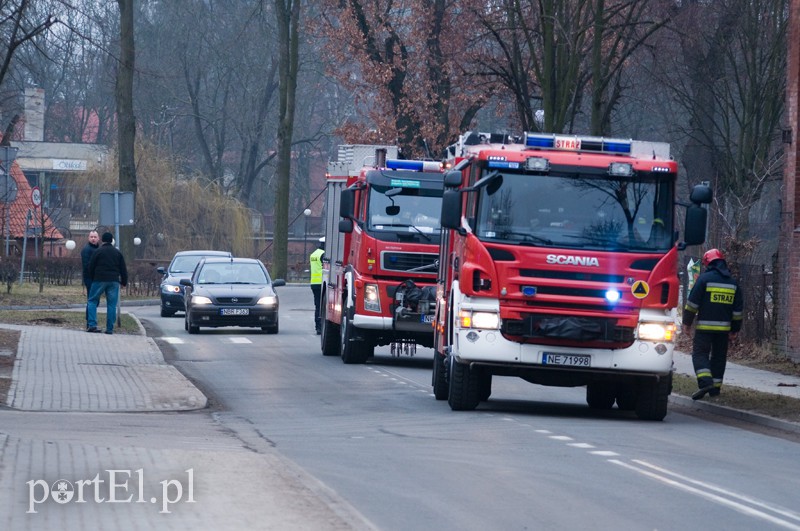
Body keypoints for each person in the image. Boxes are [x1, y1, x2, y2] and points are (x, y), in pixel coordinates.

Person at [682, 248, 743, 400]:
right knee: (719, 357)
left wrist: (686, 323)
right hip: (723, 330)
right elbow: (737, 311)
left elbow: (692, 305)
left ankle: (705, 382)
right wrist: (735, 329)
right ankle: (715, 389)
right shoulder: (733, 283)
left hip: (704, 328)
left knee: (700, 354)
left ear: (707, 263)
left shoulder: (703, 280)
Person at [87, 232, 128, 334]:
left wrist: (93, 278)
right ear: (111, 240)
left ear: (102, 240)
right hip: (114, 281)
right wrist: (124, 282)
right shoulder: (117, 253)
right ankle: (109, 328)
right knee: (111, 305)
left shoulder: (98, 251)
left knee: (92, 301)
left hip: (99, 279)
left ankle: (92, 325)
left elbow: (91, 266)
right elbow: (123, 269)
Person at [80, 230, 100, 325]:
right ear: (88, 238)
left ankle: (90, 319)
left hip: (96, 278)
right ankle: (89, 321)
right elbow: (87, 265)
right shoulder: (87, 250)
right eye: (91, 237)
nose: (93, 239)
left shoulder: (98, 249)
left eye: (95, 237)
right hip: (90, 278)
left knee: (94, 300)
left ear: (98, 238)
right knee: (92, 299)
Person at [309, 237, 325, 334]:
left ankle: (317, 326)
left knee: (317, 305)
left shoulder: (314, 254)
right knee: (321, 306)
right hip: (321, 283)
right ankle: (319, 326)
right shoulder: (323, 254)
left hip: (314, 283)